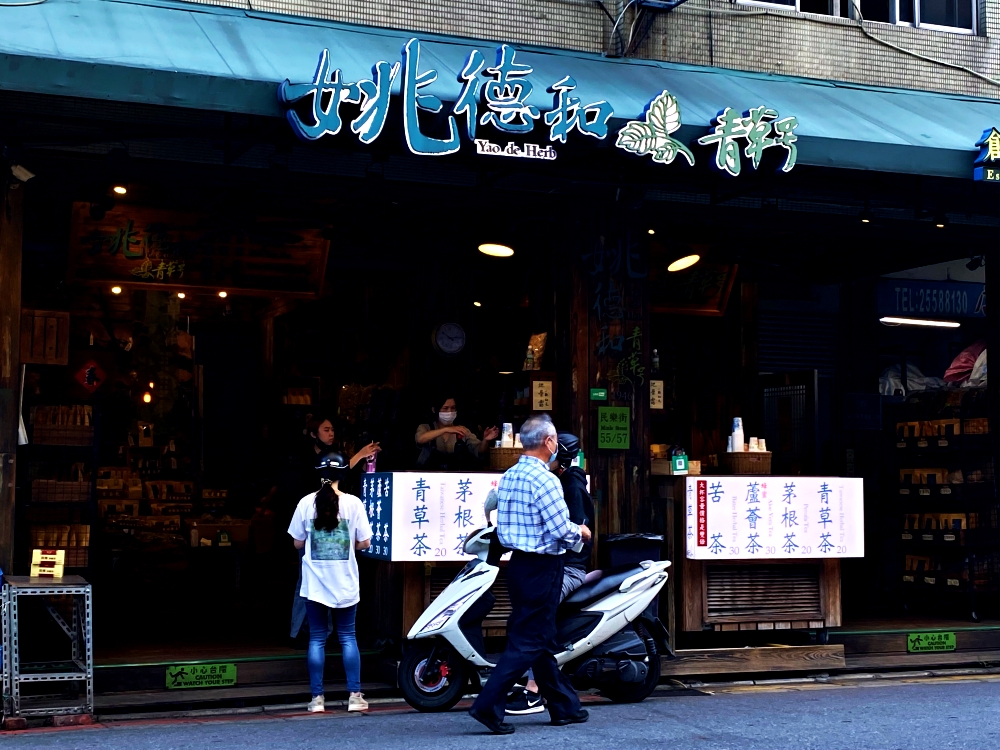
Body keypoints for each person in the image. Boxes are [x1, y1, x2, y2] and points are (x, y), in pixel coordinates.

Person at [468, 414, 592, 735]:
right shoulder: (546, 480)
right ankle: (487, 705)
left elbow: (498, 520)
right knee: (528, 640)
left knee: (540, 638)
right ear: (549, 442)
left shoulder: (508, 476)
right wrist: (581, 532)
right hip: (543, 568)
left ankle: (565, 706)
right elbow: (560, 530)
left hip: (519, 566)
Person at [505, 431, 594, 716]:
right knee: (530, 623)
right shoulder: (556, 481)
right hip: (550, 564)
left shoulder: (571, 485)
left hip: (569, 567)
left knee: (538, 620)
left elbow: (576, 532)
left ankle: (533, 689)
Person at [288, 451, 373, 713]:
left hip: (314, 585)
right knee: (348, 637)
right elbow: (365, 542)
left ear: (319, 473)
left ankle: (317, 699)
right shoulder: (354, 504)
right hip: (345, 582)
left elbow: (297, 542)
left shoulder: (305, 503)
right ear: (342, 474)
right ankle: (355, 697)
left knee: (317, 639)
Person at [290, 414, 379, 641]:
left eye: (332, 430)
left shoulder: (335, 496)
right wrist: (359, 455)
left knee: (314, 583)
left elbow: (296, 540)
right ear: (313, 434)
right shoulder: (307, 460)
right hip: (316, 528)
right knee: (309, 582)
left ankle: (321, 632)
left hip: (316, 531)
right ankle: (300, 631)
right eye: (326, 429)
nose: (331, 434)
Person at [414, 395, 499, 470]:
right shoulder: (426, 427)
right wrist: (445, 429)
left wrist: (486, 440)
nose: (450, 412)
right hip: (428, 477)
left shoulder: (461, 430)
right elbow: (420, 439)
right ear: (434, 410)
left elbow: (479, 450)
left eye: (453, 408)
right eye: (445, 408)